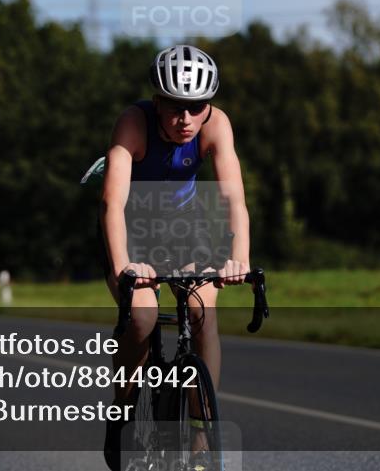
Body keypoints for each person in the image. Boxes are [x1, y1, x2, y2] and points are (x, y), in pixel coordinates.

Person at [99, 45, 251, 469]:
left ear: (208, 106)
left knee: (203, 310)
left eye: (196, 107)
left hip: (186, 228)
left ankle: (202, 434)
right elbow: (112, 203)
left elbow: (233, 199)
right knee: (143, 318)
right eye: (174, 108)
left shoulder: (216, 124)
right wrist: (124, 266)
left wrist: (238, 258)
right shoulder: (133, 123)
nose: (185, 120)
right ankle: (124, 410)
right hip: (132, 227)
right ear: (157, 101)